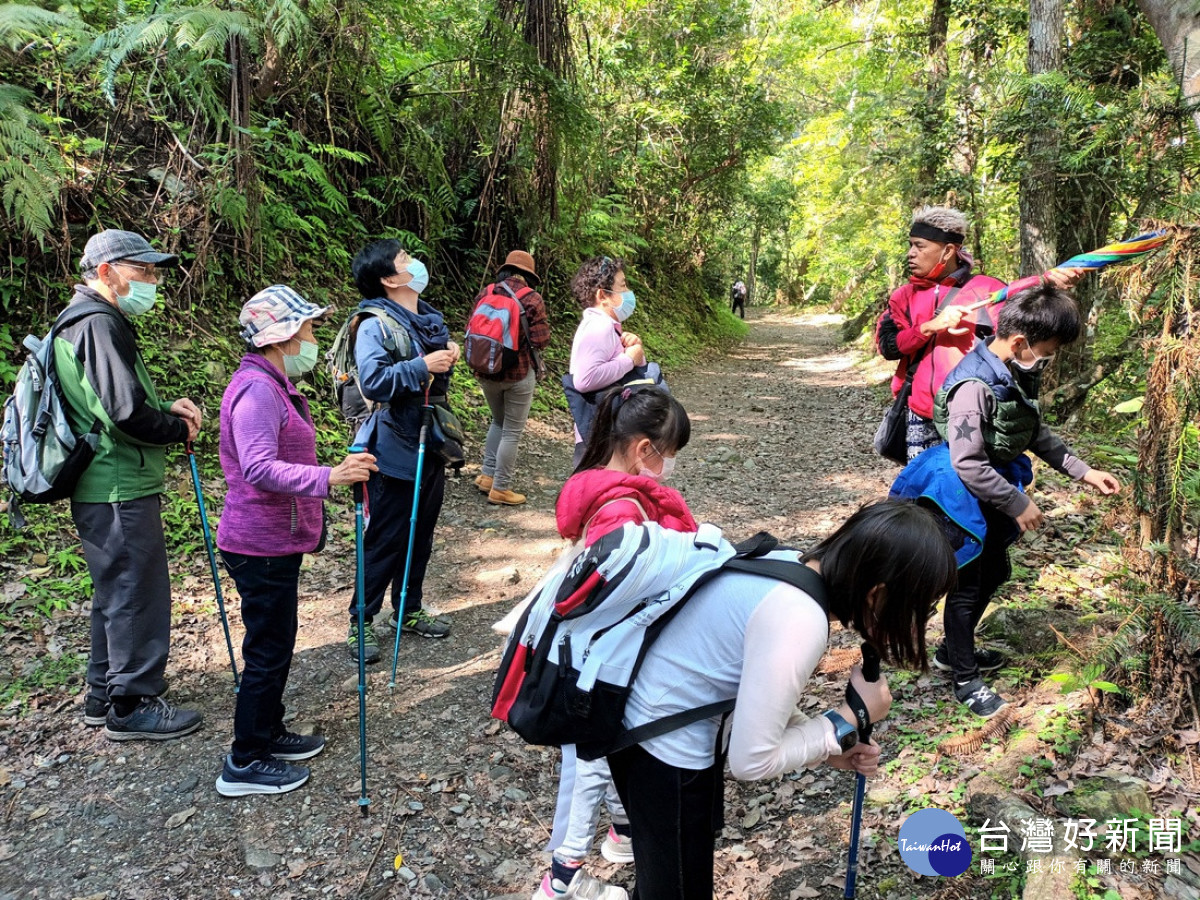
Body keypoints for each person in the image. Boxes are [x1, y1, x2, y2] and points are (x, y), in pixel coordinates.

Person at [604, 500, 959, 900]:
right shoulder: (799, 618)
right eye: (923, 605)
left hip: (640, 725)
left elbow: (760, 694)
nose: (921, 616)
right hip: (664, 749)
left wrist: (827, 749)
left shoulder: (789, 564)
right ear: (878, 594)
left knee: (665, 878)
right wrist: (846, 720)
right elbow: (751, 761)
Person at [890, 286, 1121, 717]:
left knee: (995, 569)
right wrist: (1018, 504)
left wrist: (1082, 470)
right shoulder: (973, 388)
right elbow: (968, 462)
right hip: (959, 496)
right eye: (1047, 351)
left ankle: (953, 651)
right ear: (1020, 343)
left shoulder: (1011, 372)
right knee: (967, 583)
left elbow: (1030, 430)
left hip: (992, 489)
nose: (1047, 359)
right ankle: (964, 677)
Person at [532, 386, 698, 900]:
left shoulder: (594, 486)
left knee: (608, 751)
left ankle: (624, 831)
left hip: (592, 653)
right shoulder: (623, 510)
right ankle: (562, 877)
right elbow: (618, 591)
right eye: (667, 454)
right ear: (645, 448)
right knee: (591, 759)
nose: (668, 466)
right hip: (605, 663)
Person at [214, 286, 377, 796]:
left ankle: (268, 732)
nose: (312, 336)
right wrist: (331, 477)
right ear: (282, 337)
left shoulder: (271, 384)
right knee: (267, 650)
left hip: (274, 541)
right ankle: (244, 761)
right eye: (306, 329)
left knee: (277, 644)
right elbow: (259, 467)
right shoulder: (257, 391)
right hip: (258, 542)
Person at [54, 229, 204, 740]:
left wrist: (164, 409)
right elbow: (123, 414)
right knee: (138, 590)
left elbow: (109, 404)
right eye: (142, 272)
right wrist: (176, 427)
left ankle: (104, 694)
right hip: (117, 482)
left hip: (107, 481)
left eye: (153, 272)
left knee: (115, 590)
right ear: (106, 272)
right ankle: (132, 704)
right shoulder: (97, 323)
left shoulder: (83, 320)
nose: (151, 281)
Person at [345, 239, 461, 660]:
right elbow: (373, 382)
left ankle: (408, 610)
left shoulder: (426, 320)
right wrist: (422, 366)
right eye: (404, 260)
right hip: (393, 445)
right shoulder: (374, 323)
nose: (415, 263)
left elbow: (428, 374)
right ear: (390, 279)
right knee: (386, 536)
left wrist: (446, 356)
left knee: (422, 532)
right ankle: (361, 622)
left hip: (430, 440)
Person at [473, 250, 551, 507]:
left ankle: (486, 476)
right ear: (528, 275)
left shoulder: (487, 292)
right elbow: (540, 340)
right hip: (517, 375)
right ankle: (501, 488)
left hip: (485, 370)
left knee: (497, 421)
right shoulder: (532, 298)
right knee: (512, 431)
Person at [566, 256, 647, 467]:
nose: (628, 291)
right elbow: (585, 379)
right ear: (603, 295)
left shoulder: (604, 325)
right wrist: (628, 359)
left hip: (602, 431)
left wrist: (633, 350)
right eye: (623, 286)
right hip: (598, 436)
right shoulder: (598, 327)